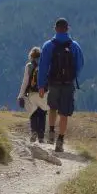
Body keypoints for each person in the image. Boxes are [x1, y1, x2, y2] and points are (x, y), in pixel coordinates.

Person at [38, 18, 84, 153]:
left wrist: (41, 85)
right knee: (64, 113)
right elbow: (80, 64)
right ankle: (60, 141)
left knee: (52, 107)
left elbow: (43, 66)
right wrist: (72, 76)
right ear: (67, 28)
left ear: (55, 28)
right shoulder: (74, 46)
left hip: (53, 83)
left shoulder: (48, 45)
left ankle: (51, 132)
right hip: (68, 84)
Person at [18, 46, 48, 143]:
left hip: (32, 93)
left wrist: (20, 95)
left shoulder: (29, 66)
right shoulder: (45, 65)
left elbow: (25, 82)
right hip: (43, 93)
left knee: (33, 113)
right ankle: (41, 136)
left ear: (31, 56)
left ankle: (34, 131)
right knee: (42, 114)